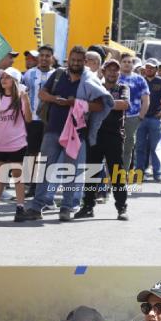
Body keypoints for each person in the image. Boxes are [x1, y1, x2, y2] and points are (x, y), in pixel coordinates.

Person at [26, 45, 111, 222]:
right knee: (45, 169)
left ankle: (66, 206)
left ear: (84, 62)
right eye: (73, 60)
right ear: (68, 60)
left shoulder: (89, 80)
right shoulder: (58, 75)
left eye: (80, 60)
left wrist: (78, 102)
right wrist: (54, 99)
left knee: (71, 172)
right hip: (52, 130)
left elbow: (101, 105)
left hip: (76, 132)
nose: (76, 63)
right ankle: (36, 206)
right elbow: (42, 93)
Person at [76, 58, 130, 220]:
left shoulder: (123, 87)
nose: (113, 72)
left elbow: (125, 104)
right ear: (104, 71)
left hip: (114, 136)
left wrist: (104, 103)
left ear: (119, 73)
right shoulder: (96, 85)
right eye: (110, 69)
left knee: (117, 173)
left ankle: (122, 207)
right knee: (91, 172)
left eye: (116, 70)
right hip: (95, 134)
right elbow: (87, 104)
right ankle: (87, 206)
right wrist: (106, 104)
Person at [0, 67, 31, 222]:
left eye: (7, 77)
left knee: (17, 177)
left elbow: (28, 119)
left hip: (17, 143)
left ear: (15, 81)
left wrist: (25, 99)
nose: (3, 79)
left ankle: (20, 207)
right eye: (2, 77)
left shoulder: (20, 98)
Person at [136, 60, 161, 183]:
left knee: (156, 147)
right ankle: (139, 173)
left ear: (156, 69)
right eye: (147, 67)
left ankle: (157, 173)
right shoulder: (140, 80)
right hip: (140, 118)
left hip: (155, 118)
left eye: (152, 68)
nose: (149, 69)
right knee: (140, 147)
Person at [119, 54, 149, 172]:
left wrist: (140, 117)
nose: (127, 63)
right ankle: (109, 178)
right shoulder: (114, 77)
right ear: (120, 63)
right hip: (115, 117)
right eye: (124, 61)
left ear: (133, 64)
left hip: (132, 118)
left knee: (128, 148)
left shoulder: (139, 79)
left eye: (130, 62)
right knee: (114, 148)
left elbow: (146, 100)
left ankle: (122, 176)